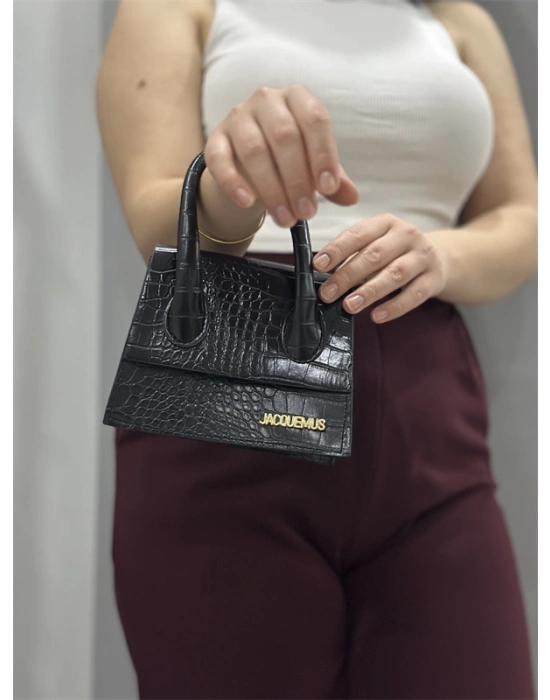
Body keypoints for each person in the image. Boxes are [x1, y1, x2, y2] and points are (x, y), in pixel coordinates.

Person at [96, 0, 539, 698]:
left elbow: (519, 216)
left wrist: (439, 255)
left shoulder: (456, 20)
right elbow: (155, 221)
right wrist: (235, 186)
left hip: (429, 430)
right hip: (228, 417)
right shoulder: (180, 7)